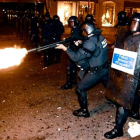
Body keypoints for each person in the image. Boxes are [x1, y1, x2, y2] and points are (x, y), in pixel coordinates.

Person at [56, 21, 110, 117]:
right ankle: (115, 100)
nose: (83, 33)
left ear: (87, 30)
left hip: (97, 71)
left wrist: (65, 49)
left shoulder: (90, 42)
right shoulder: (100, 36)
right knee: (109, 86)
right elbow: (93, 46)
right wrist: (81, 43)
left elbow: (76, 57)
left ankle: (84, 111)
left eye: (84, 31)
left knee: (80, 88)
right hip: (105, 68)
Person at [104, 13, 140, 139]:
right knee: (134, 95)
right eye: (132, 21)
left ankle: (118, 129)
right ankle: (135, 112)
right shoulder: (129, 36)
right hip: (127, 72)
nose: (132, 25)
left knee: (122, 102)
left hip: (133, 74)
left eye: (136, 22)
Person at [60, 16, 83, 90]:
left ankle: (69, 84)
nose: (70, 24)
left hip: (75, 51)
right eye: (70, 22)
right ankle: (73, 82)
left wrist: (66, 40)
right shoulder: (75, 29)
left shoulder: (77, 29)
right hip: (74, 50)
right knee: (72, 67)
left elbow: (74, 38)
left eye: (71, 22)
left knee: (70, 68)